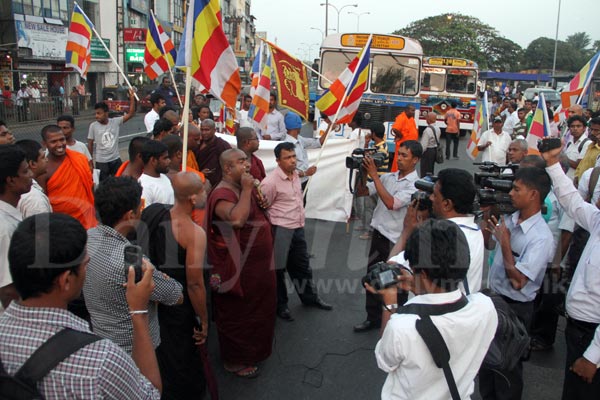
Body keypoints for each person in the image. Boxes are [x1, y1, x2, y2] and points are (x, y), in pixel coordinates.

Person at [0, 213, 162, 398]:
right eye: (84, 264)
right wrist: (138, 312)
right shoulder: (100, 360)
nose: (87, 266)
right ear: (66, 281)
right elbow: (151, 394)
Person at [369, 219, 498, 400]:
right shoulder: (485, 307)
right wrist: (420, 286)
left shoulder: (402, 326)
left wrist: (390, 302)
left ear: (419, 270)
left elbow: (385, 361)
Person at [479, 167, 554, 400]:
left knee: (508, 370)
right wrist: (486, 217)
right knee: (487, 364)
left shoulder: (541, 238)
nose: (510, 193)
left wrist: (505, 243)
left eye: (516, 189)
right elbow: (488, 244)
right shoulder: (509, 219)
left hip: (516, 309)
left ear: (533, 195)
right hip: (494, 301)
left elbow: (519, 282)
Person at [85, 176, 183, 354]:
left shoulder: (87, 237)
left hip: (101, 338)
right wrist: (161, 279)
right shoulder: (131, 259)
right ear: (131, 215)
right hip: (135, 348)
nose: (142, 212)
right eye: (140, 208)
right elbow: (175, 295)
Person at [206, 149, 276, 377]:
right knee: (238, 313)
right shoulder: (222, 193)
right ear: (227, 168)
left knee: (259, 309)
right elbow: (236, 220)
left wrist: (258, 200)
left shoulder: (243, 188)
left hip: (257, 267)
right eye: (241, 162)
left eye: (247, 161)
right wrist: (247, 190)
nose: (247, 166)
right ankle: (234, 360)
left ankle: (255, 351)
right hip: (237, 268)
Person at [140, 172, 208, 398]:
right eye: (201, 190)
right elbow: (195, 284)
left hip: (154, 296)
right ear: (192, 198)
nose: (205, 193)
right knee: (182, 359)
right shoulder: (193, 233)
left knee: (162, 352)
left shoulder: (154, 212)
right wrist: (204, 320)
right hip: (179, 305)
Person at [540, 144, 600, 399]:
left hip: (592, 337)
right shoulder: (598, 221)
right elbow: (572, 202)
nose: (596, 196)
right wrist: (553, 164)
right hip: (579, 331)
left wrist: (593, 356)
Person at [353, 141, 421, 332]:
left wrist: (374, 175)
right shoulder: (389, 177)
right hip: (379, 235)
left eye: (404, 156)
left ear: (415, 160)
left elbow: (392, 203)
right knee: (373, 278)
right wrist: (363, 172)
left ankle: (395, 322)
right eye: (398, 154)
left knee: (396, 282)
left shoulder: (415, 185)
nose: (398, 158)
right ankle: (372, 317)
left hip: (397, 240)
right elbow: (362, 192)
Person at [260, 143, 333, 321]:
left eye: (293, 156)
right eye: (287, 157)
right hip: (280, 230)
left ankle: (310, 299)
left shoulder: (295, 175)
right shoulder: (269, 182)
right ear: (278, 161)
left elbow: (301, 173)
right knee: (278, 270)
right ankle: (281, 306)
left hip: (297, 228)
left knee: (302, 267)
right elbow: (263, 206)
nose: (293, 160)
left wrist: (306, 173)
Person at [38, 125, 97, 230]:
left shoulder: (79, 159)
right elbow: (43, 201)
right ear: (44, 144)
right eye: (53, 141)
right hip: (62, 225)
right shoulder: (43, 169)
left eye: (62, 139)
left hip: (87, 218)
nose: (60, 144)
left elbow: (89, 185)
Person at [0, 145, 32, 308]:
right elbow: (8, 290)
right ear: (11, 180)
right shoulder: (6, 228)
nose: (30, 175)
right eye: (26, 171)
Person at [87, 91, 135, 181]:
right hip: (101, 162)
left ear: (106, 113)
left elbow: (131, 114)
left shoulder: (115, 122)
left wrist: (132, 98)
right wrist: (90, 161)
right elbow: (90, 144)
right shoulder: (93, 126)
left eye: (99, 113)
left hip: (115, 160)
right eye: (96, 113)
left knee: (120, 182)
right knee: (103, 186)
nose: (96, 116)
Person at [283, 111, 325, 188]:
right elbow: (288, 171)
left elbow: (318, 143)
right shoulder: (287, 146)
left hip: (304, 181)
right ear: (298, 126)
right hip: (294, 184)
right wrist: (306, 173)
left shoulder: (300, 139)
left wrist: (330, 128)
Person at [15, 139, 51, 218]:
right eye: (43, 157)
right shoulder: (35, 200)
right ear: (32, 164)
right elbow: (41, 229)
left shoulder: (14, 188)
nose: (46, 160)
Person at [194, 119, 231, 187]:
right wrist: (200, 173)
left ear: (214, 130)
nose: (204, 133)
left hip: (215, 182)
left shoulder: (222, 145)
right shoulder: (197, 143)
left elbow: (229, 162)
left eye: (207, 130)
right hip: (197, 180)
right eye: (202, 130)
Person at [138, 140, 174, 207]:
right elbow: (144, 215)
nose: (169, 161)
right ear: (153, 160)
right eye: (165, 158)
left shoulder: (164, 177)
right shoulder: (144, 187)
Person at [390, 105, 418, 172]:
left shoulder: (411, 118)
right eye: (412, 110)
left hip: (410, 146)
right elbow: (395, 128)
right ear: (407, 110)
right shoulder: (401, 118)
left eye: (414, 110)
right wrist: (400, 136)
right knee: (400, 162)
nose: (413, 112)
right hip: (403, 146)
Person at [564, 115, 591, 180]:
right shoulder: (570, 143)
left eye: (578, 126)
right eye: (572, 126)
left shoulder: (587, 143)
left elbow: (578, 165)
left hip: (576, 181)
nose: (575, 129)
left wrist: (561, 157)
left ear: (584, 128)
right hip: (567, 179)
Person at [574, 117, 600, 182]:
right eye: (591, 129)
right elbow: (582, 164)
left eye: (596, 130)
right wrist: (577, 176)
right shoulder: (590, 145)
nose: (592, 133)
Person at [419, 112, 441, 177]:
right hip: (434, 150)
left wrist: (419, 154)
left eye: (427, 117)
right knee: (430, 170)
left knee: (424, 171)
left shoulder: (427, 130)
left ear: (429, 119)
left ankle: (424, 184)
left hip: (427, 152)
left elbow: (423, 145)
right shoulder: (438, 128)